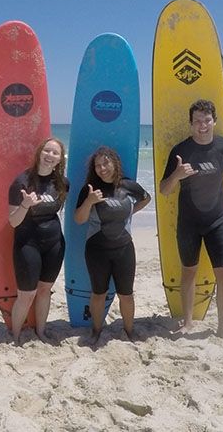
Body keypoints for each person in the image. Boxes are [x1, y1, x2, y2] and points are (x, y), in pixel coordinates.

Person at [159, 99, 223, 340]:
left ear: (214, 121)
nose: (202, 125)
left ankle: (222, 326)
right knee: (189, 272)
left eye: (207, 120)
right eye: (197, 121)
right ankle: (187, 322)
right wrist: (177, 174)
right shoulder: (181, 151)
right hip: (189, 223)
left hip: (216, 220)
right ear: (190, 124)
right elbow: (164, 189)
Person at [74, 146, 150, 342]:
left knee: (127, 294)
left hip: (124, 248)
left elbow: (145, 198)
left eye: (106, 163)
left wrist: (129, 213)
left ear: (115, 163)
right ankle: (96, 330)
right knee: (99, 293)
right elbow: (79, 219)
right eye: (98, 165)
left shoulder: (129, 186)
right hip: (97, 250)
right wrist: (90, 201)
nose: (102, 168)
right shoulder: (90, 189)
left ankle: (129, 331)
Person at [8, 137, 69, 344]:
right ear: (39, 153)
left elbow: (57, 212)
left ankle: (41, 332)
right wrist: (25, 205)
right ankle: (15, 336)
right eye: (47, 151)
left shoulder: (62, 184)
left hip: (54, 243)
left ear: (60, 159)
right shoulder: (22, 182)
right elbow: (13, 222)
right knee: (27, 294)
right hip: (28, 244)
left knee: (45, 290)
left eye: (55, 153)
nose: (50, 156)